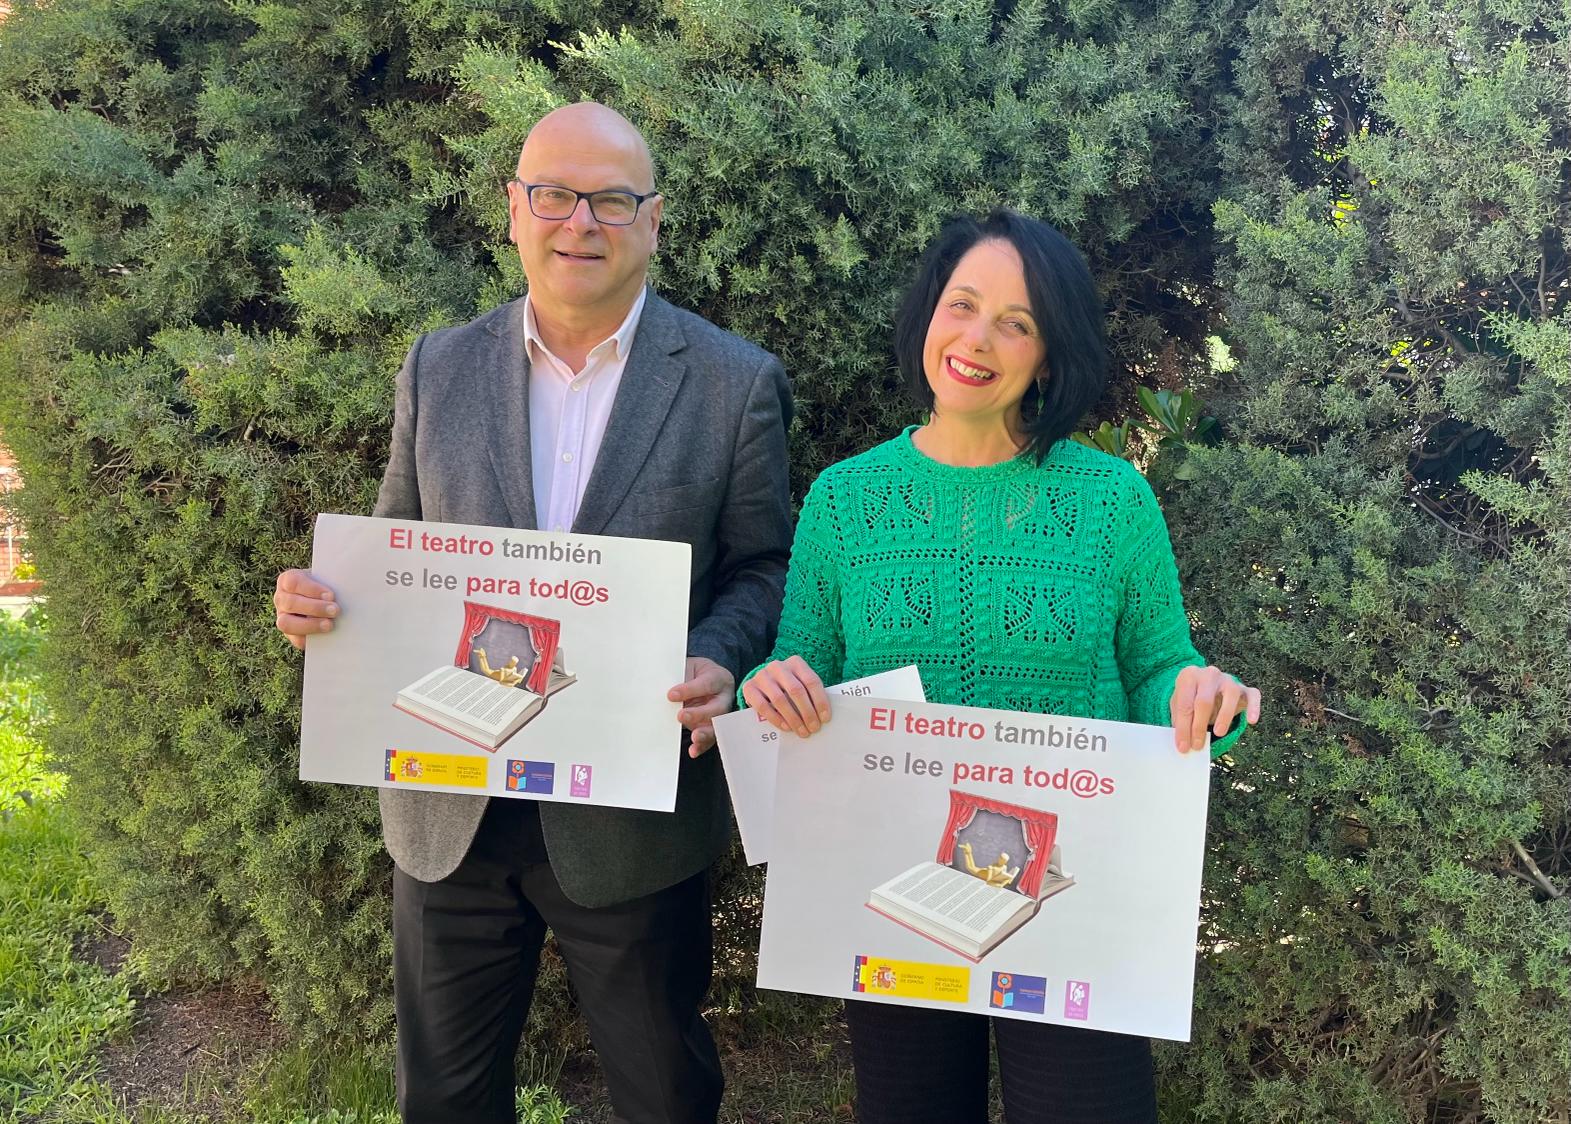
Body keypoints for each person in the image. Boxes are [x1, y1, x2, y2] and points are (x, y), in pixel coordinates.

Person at [273, 102, 793, 1124]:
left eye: (610, 198)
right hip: (447, 808)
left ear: (653, 221)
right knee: (446, 1098)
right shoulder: (438, 366)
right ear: (512, 210)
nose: (578, 222)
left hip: (629, 808)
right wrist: (327, 602)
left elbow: (764, 567)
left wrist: (717, 656)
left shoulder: (733, 385)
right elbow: (397, 544)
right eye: (552, 194)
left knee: (663, 1091)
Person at [740, 210, 1262, 1124]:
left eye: (1014, 322)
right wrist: (771, 686)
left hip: (1075, 885)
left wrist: (1195, 694)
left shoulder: (1112, 502)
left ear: (1048, 355)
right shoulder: (843, 500)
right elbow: (804, 667)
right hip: (899, 886)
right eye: (961, 305)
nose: (977, 338)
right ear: (926, 320)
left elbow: (1156, 668)